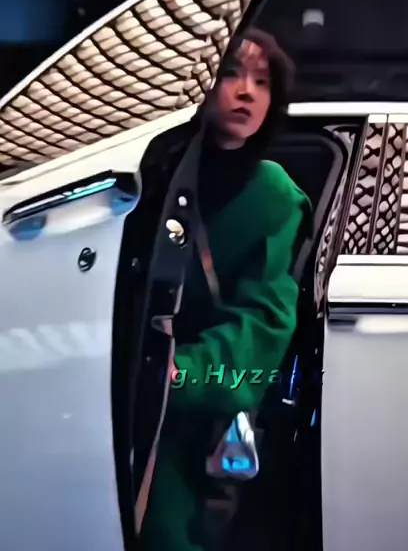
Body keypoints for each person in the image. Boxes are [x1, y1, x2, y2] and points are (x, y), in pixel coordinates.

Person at [139, 28, 312, 551]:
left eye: (262, 81)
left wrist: (180, 371)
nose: (245, 92)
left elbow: (266, 318)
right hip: (123, 388)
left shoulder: (273, 193)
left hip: (196, 405)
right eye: (230, 73)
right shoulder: (154, 171)